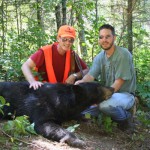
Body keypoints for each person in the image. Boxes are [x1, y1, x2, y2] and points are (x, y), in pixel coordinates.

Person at [75, 24, 136, 132]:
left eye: (107, 36)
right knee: (81, 112)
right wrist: (81, 83)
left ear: (114, 38)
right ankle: (107, 114)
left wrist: (100, 99)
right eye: (101, 37)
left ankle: (126, 117)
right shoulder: (99, 57)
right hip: (107, 95)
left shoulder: (123, 54)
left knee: (104, 106)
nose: (104, 40)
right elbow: (91, 75)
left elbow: (118, 84)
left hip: (124, 95)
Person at [21, 25, 89, 90]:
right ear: (58, 38)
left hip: (62, 93)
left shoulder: (72, 55)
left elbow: (86, 70)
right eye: (64, 39)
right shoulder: (44, 52)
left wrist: (74, 75)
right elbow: (25, 66)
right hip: (43, 91)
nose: (68, 42)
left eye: (71, 40)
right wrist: (32, 82)